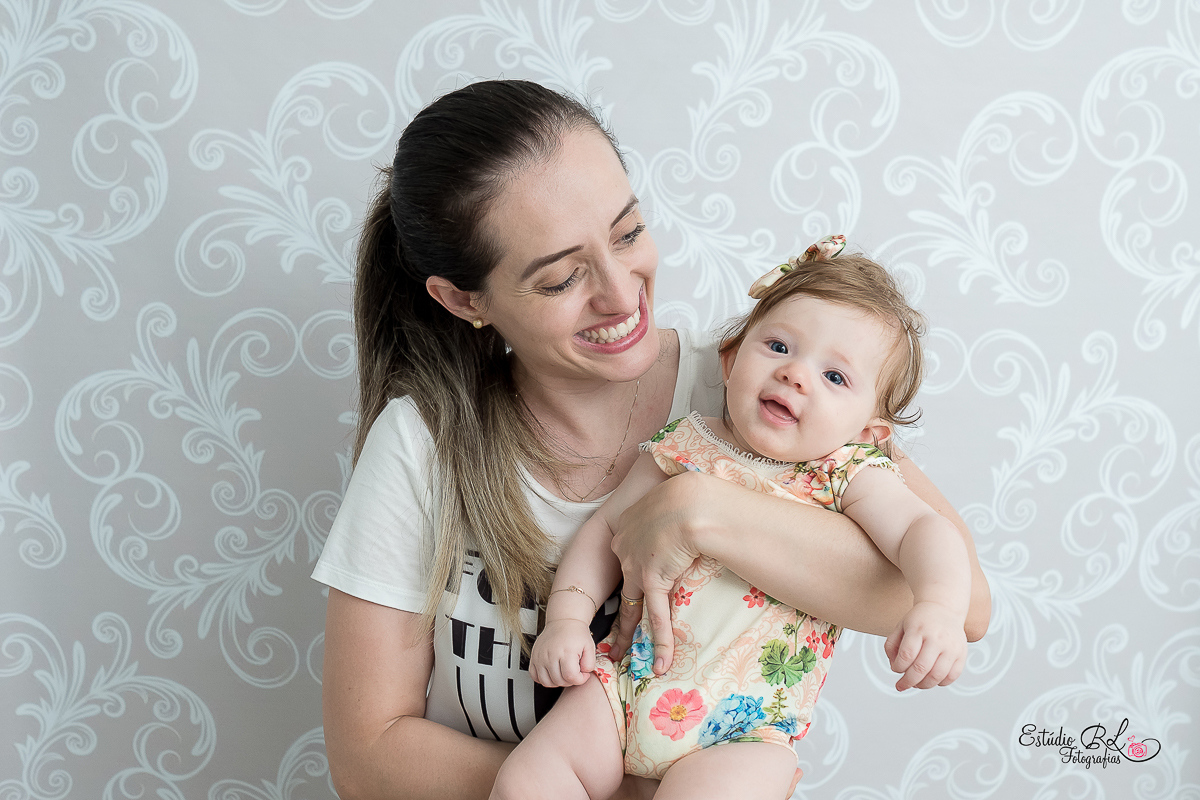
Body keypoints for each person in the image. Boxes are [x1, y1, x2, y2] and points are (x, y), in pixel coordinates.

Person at [313, 79, 991, 800]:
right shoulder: (425, 444)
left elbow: (966, 603)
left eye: (629, 233)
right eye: (563, 277)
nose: (620, 291)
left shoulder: (778, 402)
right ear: (464, 299)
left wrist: (700, 510)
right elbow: (368, 755)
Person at [494, 238, 969, 800]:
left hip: (744, 732)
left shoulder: (848, 474)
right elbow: (606, 529)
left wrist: (939, 605)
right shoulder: (686, 443)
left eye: (835, 377)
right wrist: (568, 618)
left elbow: (924, 530)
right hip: (623, 688)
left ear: (870, 431)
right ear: (731, 357)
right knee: (527, 781)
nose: (796, 375)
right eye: (778, 345)